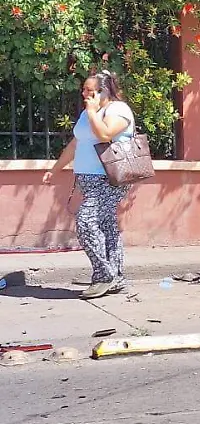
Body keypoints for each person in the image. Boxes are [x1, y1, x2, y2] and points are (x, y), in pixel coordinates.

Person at [41, 71, 137, 299]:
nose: (84, 93)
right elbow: (76, 143)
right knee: (106, 226)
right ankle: (117, 278)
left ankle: (105, 276)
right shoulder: (87, 113)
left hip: (110, 178)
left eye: (89, 90)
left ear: (105, 90)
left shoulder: (118, 110)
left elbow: (104, 135)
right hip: (88, 179)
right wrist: (55, 169)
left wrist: (93, 112)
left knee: (86, 222)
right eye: (84, 89)